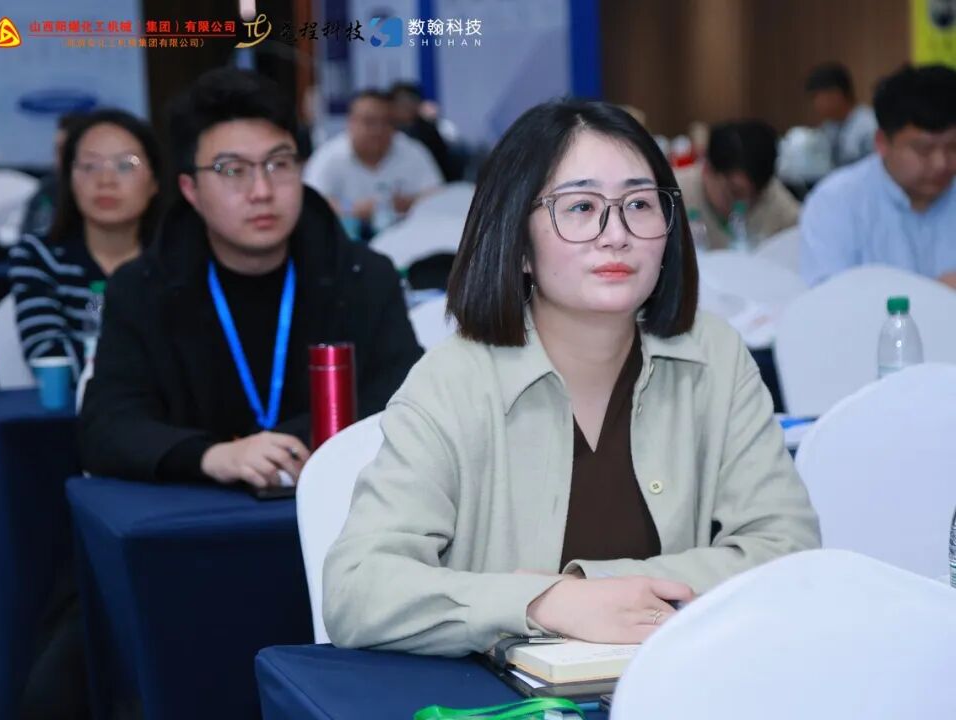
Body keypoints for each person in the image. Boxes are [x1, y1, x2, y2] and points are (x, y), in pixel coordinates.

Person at [323, 99, 820, 655]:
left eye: (639, 203)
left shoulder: (715, 357)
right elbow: (356, 590)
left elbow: (790, 547)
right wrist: (542, 604)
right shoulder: (454, 380)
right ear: (519, 243)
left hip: (679, 683)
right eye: (581, 207)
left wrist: (593, 589)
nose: (616, 234)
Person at [79, 68, 423, 489]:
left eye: (279, 164)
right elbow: (107, 425)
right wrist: (211, 456)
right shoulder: (142, 288)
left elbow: (407, 399)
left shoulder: (363, 276)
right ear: (190, 190)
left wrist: (289, 444)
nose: (262, 190)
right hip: (198, 513)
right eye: (232, 170)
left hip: (341, 505)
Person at [9, 109, 162, 383]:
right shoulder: (38, 256)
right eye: (90, 166)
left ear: (155, 180)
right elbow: (49, 357)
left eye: (126, 165)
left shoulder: (177, 260)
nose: (106, 181)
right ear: (69, 178)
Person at [800, 64, 956, 288]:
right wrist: (934, 294)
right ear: (882, 143)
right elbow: (829, 299)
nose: (941, 163)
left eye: (953, 147)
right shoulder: (836, 202)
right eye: (924, 149)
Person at [303, 89, 443, 230]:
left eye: (386, 122)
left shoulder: (413, 151)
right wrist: (353, 208)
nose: (378, 130)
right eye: (369, 122)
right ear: (351, 123)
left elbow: (437, 196)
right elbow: (312, 203)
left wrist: (410, 203)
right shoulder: (328, 156)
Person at [676, 120, 800, 249]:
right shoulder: (674, 194)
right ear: (707, 169)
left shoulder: (773, 196)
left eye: (755, 199)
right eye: (735, 192)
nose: (744, 205)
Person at [805, 62, 878, 168]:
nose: (815, 104)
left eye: (816, 96)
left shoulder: (869, 126)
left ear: (835, 94)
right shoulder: (828, 127)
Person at [21, 113, 81, 238]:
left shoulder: (103, 193)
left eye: (67, 150)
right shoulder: (47, 190)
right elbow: (30, 236)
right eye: (57, 150)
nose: (60, 158)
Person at [390, 81, 456, 181]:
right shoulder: (387, 130)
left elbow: (442, 165)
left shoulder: (429, 130)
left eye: (411, 100)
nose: (406, 106)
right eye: (400, 102)